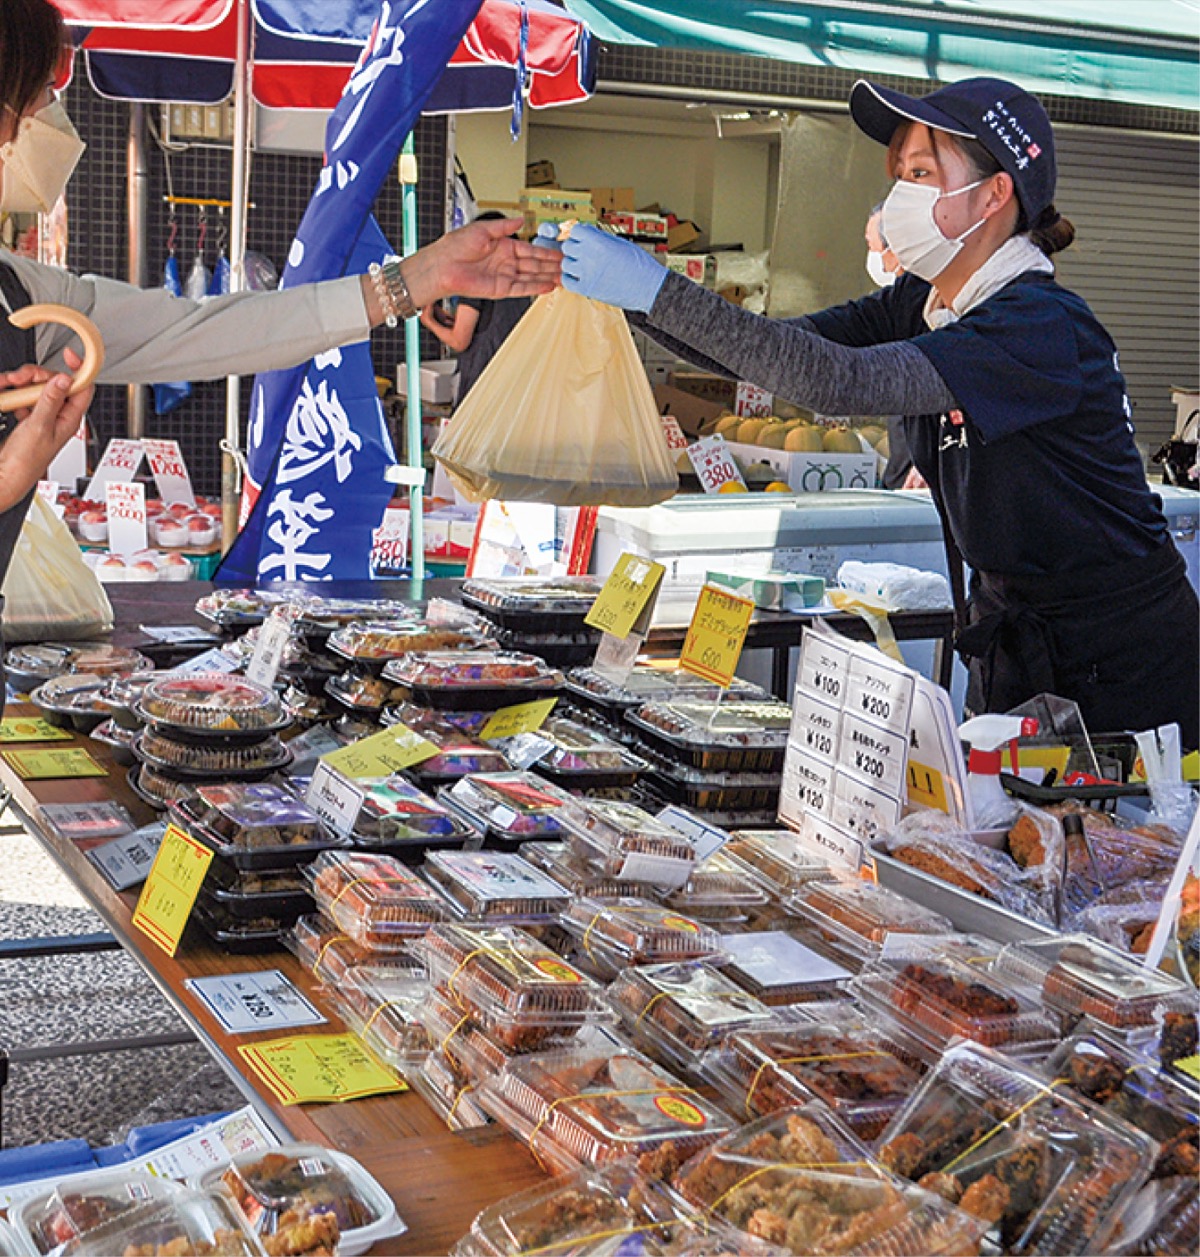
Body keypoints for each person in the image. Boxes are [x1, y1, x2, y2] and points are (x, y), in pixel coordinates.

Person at [548, 75, 1200, 750]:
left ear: (995, 193)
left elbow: (836, 380)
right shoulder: (922, 302)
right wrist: (627, 293)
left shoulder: (1039, 326)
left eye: (922, 172)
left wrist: (652, 284)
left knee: (1112, 852)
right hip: (1012, 642)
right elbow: (774, 351)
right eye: (899, 175)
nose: (899, 196)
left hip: (1121, 666)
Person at [0, 0, 559, 560]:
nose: (55, 112)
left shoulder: (24, 297)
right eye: (44, 92)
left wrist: (420, 278)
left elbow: (209, 332)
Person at [420, 212, 531, 404]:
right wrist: (449, 322)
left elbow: (459, 341)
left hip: (480, 385)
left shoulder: (475, 282)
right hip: (512, 384)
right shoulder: (520, 284)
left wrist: (429, 321)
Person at [863, 203, 923, 491]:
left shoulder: (927, 308)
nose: (878, 261)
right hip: (905, 472)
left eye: (872, 246)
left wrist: (926, 462)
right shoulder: (895, 305)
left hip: (917, 476)